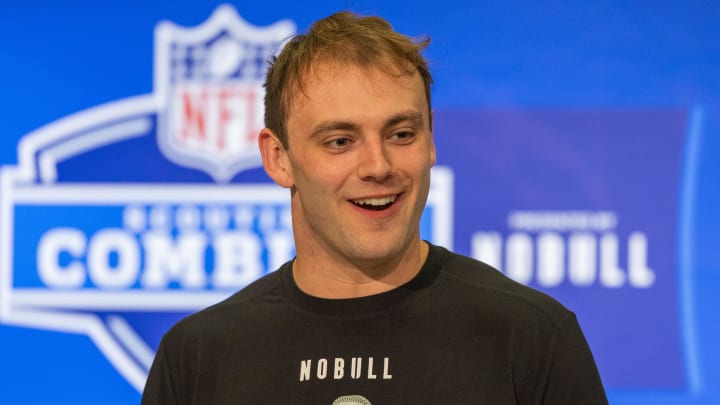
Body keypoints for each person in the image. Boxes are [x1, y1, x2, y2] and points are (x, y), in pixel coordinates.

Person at [142, 11, 608, 404]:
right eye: (340, 141)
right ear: (278, 158)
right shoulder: (198, 358)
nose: (378, 166)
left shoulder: (531, 337)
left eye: (401, 134)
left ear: (430, 141)